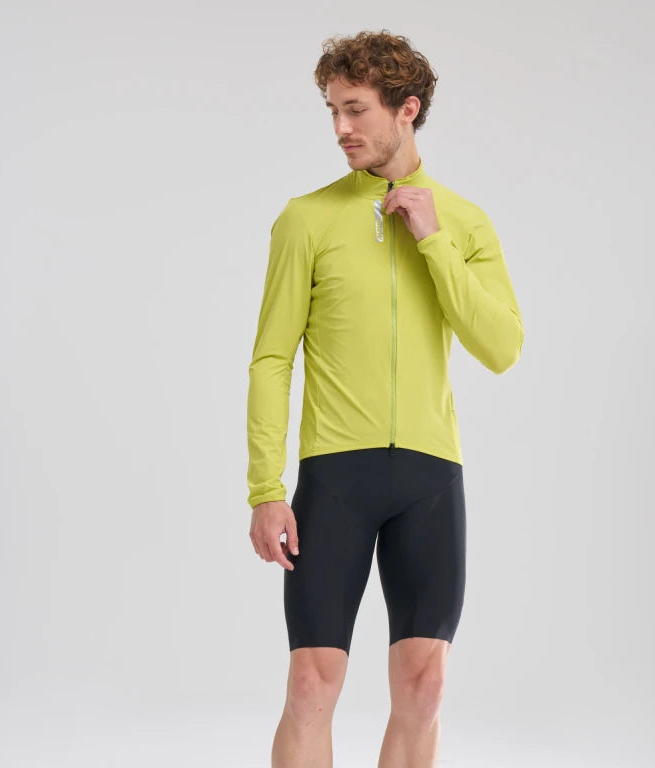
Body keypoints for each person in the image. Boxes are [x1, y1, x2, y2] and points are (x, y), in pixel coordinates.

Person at [247, 29, 524, 768]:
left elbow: (502, 347)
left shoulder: (464, 221)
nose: (341, 128)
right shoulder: (306, 218)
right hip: (335, 476)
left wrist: (432, 239)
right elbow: (272, 358)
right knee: (311, 683)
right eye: (333, 111)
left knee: (425, 686)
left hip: (429, 478)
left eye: (357, 109)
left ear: (408, 109)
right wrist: (265, 488)